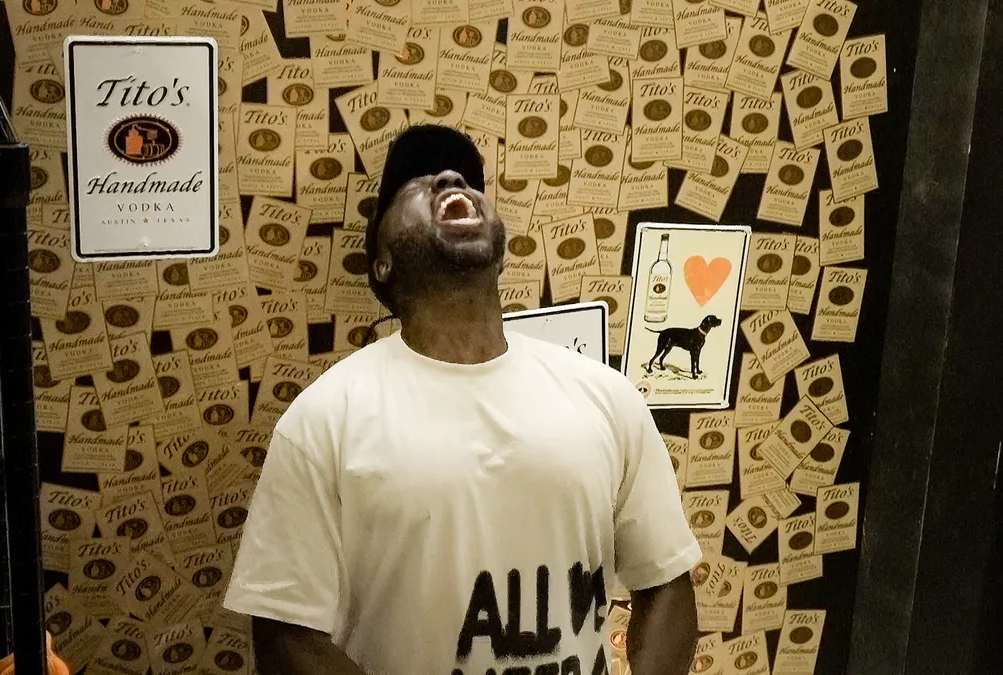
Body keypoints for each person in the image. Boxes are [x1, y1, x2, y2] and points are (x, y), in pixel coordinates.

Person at [223, 125, 701, 675]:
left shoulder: (605, 395)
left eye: (465, 180)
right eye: (416, 184)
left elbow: (666, 582)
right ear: (382, 262)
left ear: (500, 251)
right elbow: (286, 638)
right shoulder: (323, 420)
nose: (451, 179)